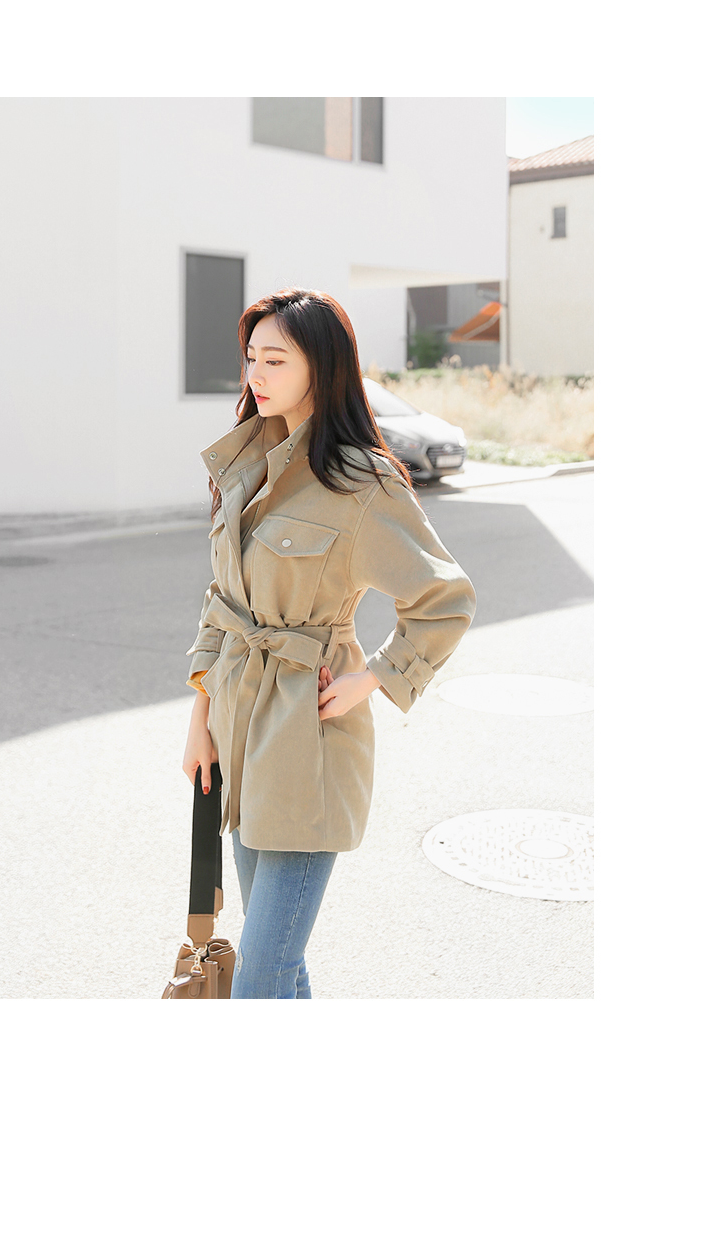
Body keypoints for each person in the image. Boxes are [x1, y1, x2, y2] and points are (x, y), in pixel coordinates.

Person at [182, 290, 473, 999]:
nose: (256, 373)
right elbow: (222, 605)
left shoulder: (360, 482)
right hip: (239, 732)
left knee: (262, 975)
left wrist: (374, 677)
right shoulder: (247, 462)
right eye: (251, 357)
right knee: (280, 961)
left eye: (276, 359)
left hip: (307, 745)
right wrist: (200, 719)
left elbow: (444, 598)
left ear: (323, 365)